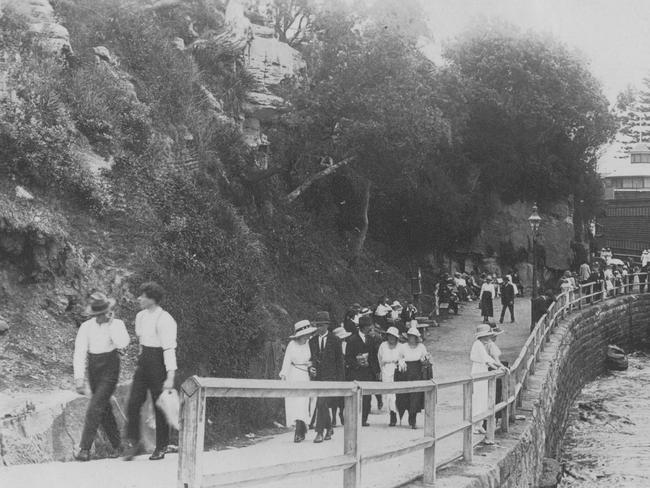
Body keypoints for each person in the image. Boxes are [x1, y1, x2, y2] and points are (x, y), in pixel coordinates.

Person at [72, 293, 130, 461]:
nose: (104, 316)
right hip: (94, 368)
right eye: (100, 313)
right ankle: (118, 446)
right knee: (103, 409)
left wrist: (111, 325)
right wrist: (79, 378)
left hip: (110, 367)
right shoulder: (86, 327)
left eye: (106, 312)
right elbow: (80, 352)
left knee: (95, 406)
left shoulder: (117, 324)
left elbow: (123, 343)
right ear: (95, 314)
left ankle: (84, 449)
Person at [124, 282, 178, 461]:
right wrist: (141, 362)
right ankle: (135, 442)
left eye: (143, 296)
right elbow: (141, 341)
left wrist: (170, 376)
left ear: (152, 299)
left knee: (159, 406)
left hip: (159, 363)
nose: (139, 298)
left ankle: (161, 446)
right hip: (144, 363)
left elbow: (169, 349)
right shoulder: (140, 316)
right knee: (133, 403)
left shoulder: (165, 319)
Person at [308, 312, 345, 443]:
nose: (319, 328)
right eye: (317, 325)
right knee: (321, 404)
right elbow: (309, 360)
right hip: (317, 379)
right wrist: (310, 369)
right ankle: (329, 428)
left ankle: (319, 432)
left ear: (327, 325)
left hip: (331, 379)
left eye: (322, 325)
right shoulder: (311, 341)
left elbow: (340, 363)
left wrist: (340, 383)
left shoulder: (335, 340)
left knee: (321, 403)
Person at [280, 320, 317, 443]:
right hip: (293, 374)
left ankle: (300, 431)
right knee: (294, 403)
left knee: (303, 403)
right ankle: (299, 429)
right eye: (305, 334)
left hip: (305, 375)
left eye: (309, 334)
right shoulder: (292, 345)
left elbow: (314, 358)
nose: (307, 336)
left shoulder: (310, 344)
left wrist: (311, 364)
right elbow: (287, 360)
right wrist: (284, 374)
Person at [345, 315, 380, 426]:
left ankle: (363, 419)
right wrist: (357, 363)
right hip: (356, 372)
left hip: (368, 372)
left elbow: (374, 357)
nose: (370, 328)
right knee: (355, 397)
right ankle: (354, 418)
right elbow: (348, 357)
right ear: (363, 327)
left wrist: (376, 371)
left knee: (367, 397)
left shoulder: (372, 339)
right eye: (369, 326)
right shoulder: (352, 339)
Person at [470, 324, 506, 434]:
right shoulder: (478, 345)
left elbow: (488, 360)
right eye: (487, 336)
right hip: (478, 370)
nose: (489, 338)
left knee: (483, 397)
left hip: (483, 369)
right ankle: (475, 425)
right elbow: (486, 359)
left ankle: (479, 424)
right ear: (482, 336)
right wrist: (499, 366)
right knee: (478, 397)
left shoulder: (480, 344)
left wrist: (499, 367)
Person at [395, 327, 431, 429]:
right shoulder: (403, 347)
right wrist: (401, 362)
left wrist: (425, 360)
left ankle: (413, 419)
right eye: (410, 336)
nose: (411, 338)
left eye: (413, 337)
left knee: (416, 397)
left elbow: (425, 358)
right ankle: (405, 414)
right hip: (405, 373)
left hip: (417, 372)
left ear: (416, 338)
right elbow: (399, 358)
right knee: (405, 396)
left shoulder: (421, 347)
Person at [377, 327, 401, 426]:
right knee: (389, 395)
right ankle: (392, 414)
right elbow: (379, 359)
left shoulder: (400, 347)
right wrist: (381, 371)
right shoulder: (383, 346)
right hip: (386, 370)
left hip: (397, 371)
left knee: (396, 394)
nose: (391, 338)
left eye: (393, 336)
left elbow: (404, 358)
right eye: (389, 336)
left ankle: (397, 413)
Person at [331, 326, 352, 426]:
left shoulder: (346, 345)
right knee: (335, 394)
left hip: (345, 371)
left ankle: (341, 413)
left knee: (343, 395)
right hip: (335, 371)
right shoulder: (332, 345)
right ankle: (334, 416)